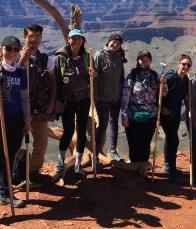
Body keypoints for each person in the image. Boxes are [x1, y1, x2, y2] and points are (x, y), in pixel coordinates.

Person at [54, 29, 96, 179]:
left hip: (83, 98)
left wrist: (93, 74)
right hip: (68, 100)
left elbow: (92, 76)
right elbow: (56, 80)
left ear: (83, 41)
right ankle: (60, 159)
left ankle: (78, 162)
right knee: (68, 130)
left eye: (79, 38)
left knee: (82, 129)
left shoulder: (86, 56)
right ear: (69, 40)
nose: (76, 41)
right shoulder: (61, 58)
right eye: (73, 38)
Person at [18, 24, 56, 184]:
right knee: (13, 143)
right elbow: (9, 75)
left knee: (41, 142)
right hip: (17, 109)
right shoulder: (12, 54)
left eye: (37, 37)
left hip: (38, 108)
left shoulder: (46, 59)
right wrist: (23, 59)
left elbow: (54, 83)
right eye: (31, 36)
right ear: (24, 37)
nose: (34, 40)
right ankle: (10, 175)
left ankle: (33, 172)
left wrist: (51, 103)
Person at [0, 36, 32, 207]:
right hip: (1, 118)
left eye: (15, 49)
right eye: (8, 49)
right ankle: (4, 191)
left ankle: (4, 192)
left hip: (16, 118)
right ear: (2, 49)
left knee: (10, 153)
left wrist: (27, 119)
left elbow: (25, 98)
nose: (12, 52)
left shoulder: (20, 71)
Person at [121, 50, 167, 167]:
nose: (144, 62)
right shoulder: (131, 76)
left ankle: (142, 171)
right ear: (138, 61)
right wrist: (124, 116)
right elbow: (125, 97)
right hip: (133, 116)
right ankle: (135, 170)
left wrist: (163, 84)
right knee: (134, 144)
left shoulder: (155, 75)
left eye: (147, 60)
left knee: (145, 144)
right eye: (142, 60)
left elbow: (163, 94)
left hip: (150, 117)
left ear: (150, 61)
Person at [93, 33, 126, 171]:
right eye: (114, 42)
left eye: (118, 43)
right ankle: (96, 156)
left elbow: (121, 77)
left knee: (114, 124)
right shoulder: (99, 55)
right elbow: (93, 77)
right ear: (108, 42)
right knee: (102, 126)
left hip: (116, 97)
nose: (116, 45)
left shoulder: (119, 56)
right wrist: (94, 98)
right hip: (102, 98)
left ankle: (113, 151)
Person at [160, 54, 191, 184]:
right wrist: (161, 109)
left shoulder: (185, 80)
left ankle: (168, 165)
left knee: (171, 138)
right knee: (174, 139)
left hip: (176, 114)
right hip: (166, 114)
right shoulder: (171, 77)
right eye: (183, 64)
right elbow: (159, 91)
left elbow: (184, 96)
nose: (185, 67)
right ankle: (171, 172)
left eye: (188, 65)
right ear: (179, 64)